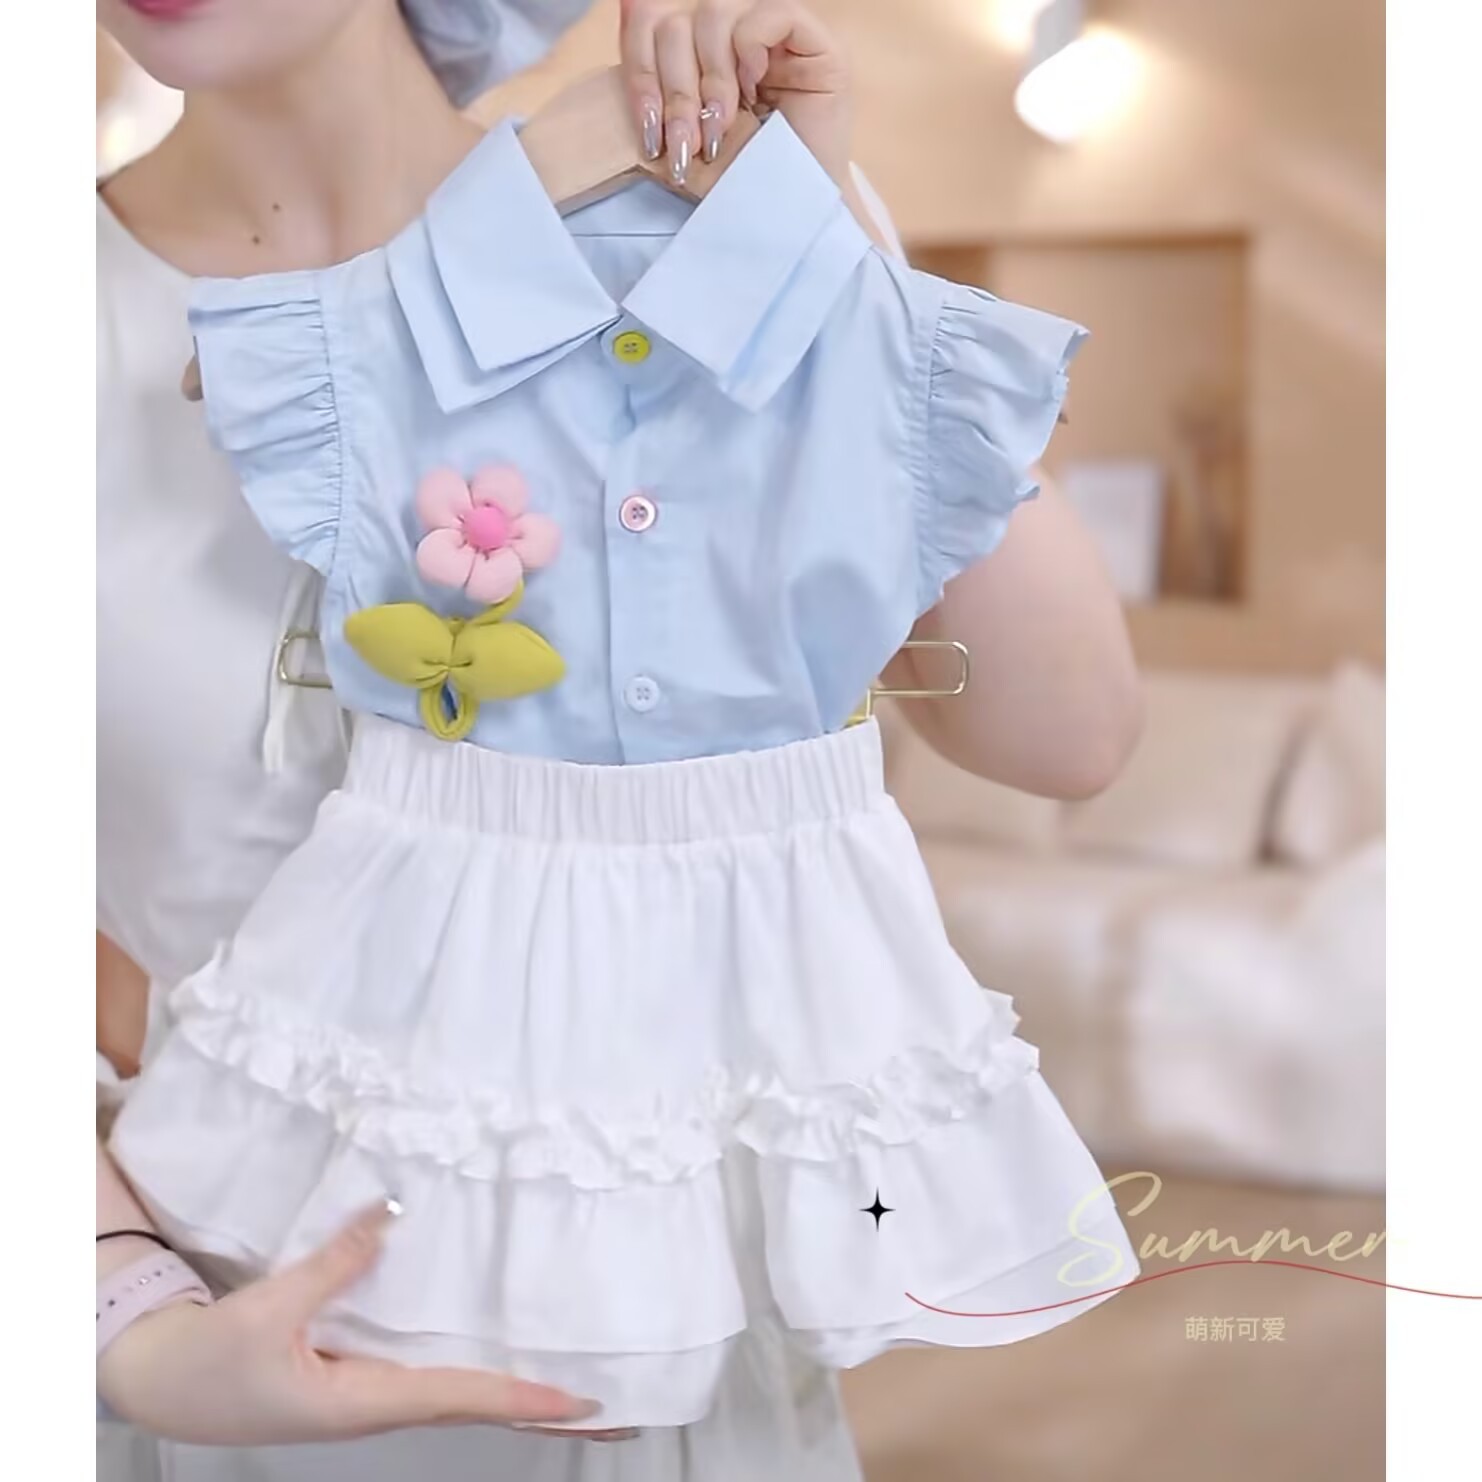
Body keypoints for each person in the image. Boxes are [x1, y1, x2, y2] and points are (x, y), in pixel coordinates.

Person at [97, 0, 1143, 1477]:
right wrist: (123, 1315)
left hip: (701, 1376)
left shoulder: (738, 229)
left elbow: (1070, 733)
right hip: (220, 1314)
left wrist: (822, 255)